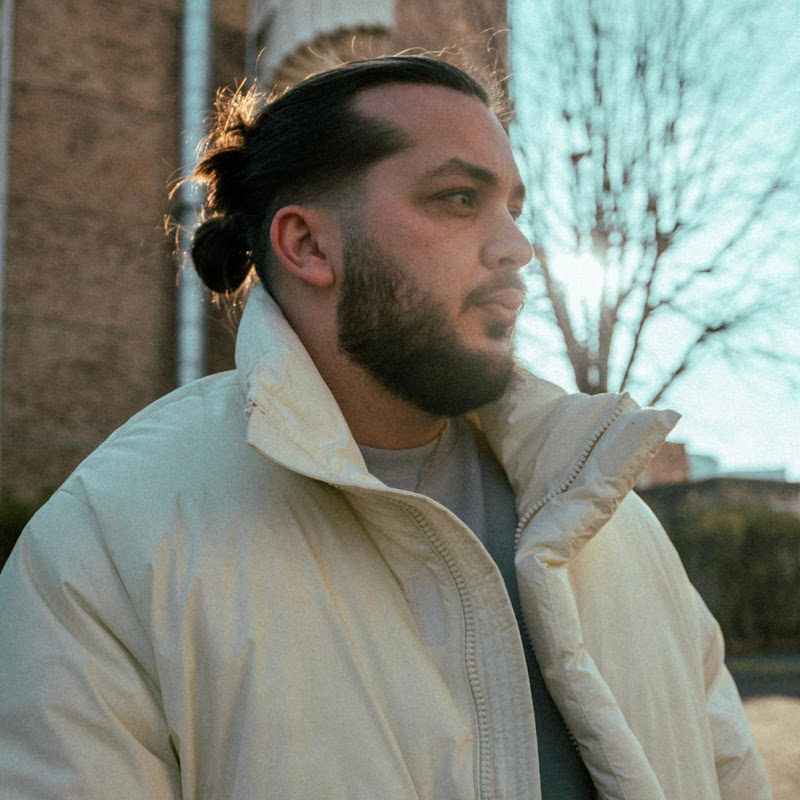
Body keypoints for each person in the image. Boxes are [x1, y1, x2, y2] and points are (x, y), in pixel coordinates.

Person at [0, 56, 770, 800]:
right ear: (307, 245)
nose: (517, 248)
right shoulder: (112, 544)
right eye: (459, 199)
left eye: (513, 208)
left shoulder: (605, 515)